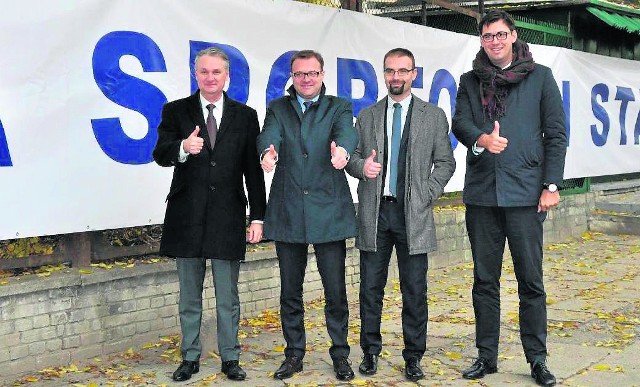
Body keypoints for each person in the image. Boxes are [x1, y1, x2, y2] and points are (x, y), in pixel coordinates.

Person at [451, 10, 567, 387]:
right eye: (488, 36)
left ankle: (537, 359)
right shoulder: (470, 81)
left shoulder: (541, 77)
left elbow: (556, 134)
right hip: (483, 195)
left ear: (513, 36)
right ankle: (487, 357)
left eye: (501, 34)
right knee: (484, 281)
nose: (495, 41)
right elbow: (461, 123)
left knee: (530, 281)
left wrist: (551, 186)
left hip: (525, 195)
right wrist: (482, 141)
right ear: (481, 40)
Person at [152, 47, 266, 382]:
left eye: (217, 72)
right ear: (195, 73)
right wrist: (182, 150)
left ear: (227, 76)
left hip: (228, 218)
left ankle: (230, 358)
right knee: (189, 296)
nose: (210, 77)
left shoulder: (245, 116)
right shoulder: (176, 111)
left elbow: (252, 172)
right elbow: (160, 153)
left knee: (227, 296)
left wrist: (257, 217)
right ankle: (190, 357)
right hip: (186, 217)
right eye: (204, 71)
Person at [345, 48, 455, 382]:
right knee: (370, 289)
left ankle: (413, 357)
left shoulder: (432, 116)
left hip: (414, 215)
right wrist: (362, 167)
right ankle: (370, 352)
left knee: (415, 290)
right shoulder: (367, 116)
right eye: (390, 71)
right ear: (384, 73)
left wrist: (428, 192)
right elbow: (351, 159)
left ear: (414, 74)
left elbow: (446, 162)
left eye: (403, 71)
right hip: (376, 214)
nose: (396, 77)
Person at [257, 50, 358, 381]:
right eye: (300, 74)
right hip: (288, 210)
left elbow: (347, 133)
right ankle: (294, 353)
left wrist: (342, 152)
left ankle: (340, 354)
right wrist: (267, 151)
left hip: (328, 209)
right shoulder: (278, 108)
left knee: (335, 291)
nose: (306, 79)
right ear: (292, 76)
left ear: (323, 74)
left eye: (312, 73)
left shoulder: (338, 106)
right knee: (290, 290)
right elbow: (268, 134)